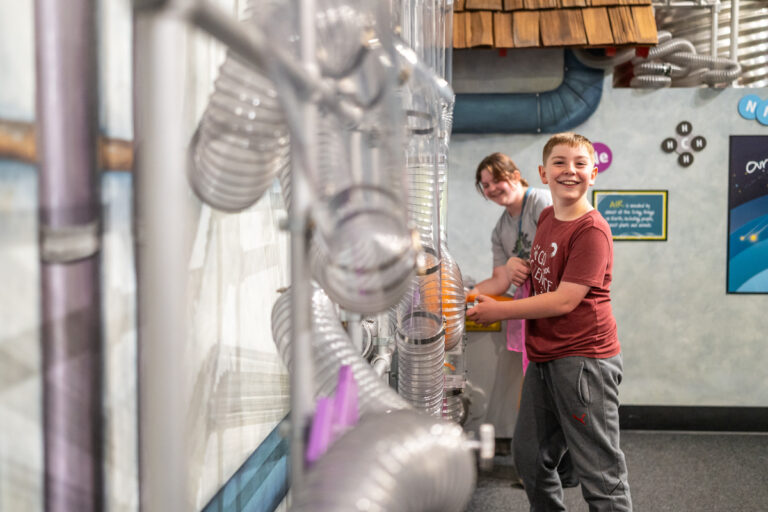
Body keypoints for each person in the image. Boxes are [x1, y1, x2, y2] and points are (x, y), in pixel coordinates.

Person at [466, 132, 632, 511]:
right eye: (559, 163)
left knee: (600, 475)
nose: (569, 171)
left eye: (579, 164)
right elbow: (529, 275)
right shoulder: (545, 217)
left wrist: (496, 308)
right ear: (543, 172)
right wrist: (484, 288)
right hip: (543, 356)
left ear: (594, 174)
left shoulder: (592, 231)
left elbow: (564, 300)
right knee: (530, 460)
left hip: (584, 360)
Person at [468, 152, 578, 489]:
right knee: (536, 389)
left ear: (515, 175)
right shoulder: (500, 228)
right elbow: (500, 281)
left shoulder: (543, 203)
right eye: (484, 186)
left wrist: (526, 263)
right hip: (530, 311)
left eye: (496, 180)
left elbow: (563, 252)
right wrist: (464, 294)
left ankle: (567, 468)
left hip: (556, 308)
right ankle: (542, 467)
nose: (491, 189)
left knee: (562, 389)